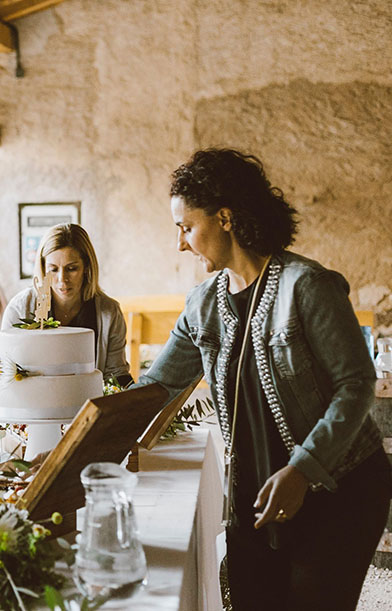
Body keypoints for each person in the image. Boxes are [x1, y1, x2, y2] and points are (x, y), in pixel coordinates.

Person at [139, 148, 391, 610]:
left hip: (339, 491)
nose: (180, 243)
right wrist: (83, 422)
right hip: (254, 499)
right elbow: (157, 388)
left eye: (186, 227)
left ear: (226, 218)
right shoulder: (203, 304)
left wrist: (303, 470)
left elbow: (356, 384)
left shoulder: (307, 286)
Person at [1, 223, 133, 386]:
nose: (62, 279)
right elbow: (7, 374)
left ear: (86, 267)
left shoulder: (109, 313)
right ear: (42, 268)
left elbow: (116, 376)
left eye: (71, 268)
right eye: (53, 269)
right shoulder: (20, 309)